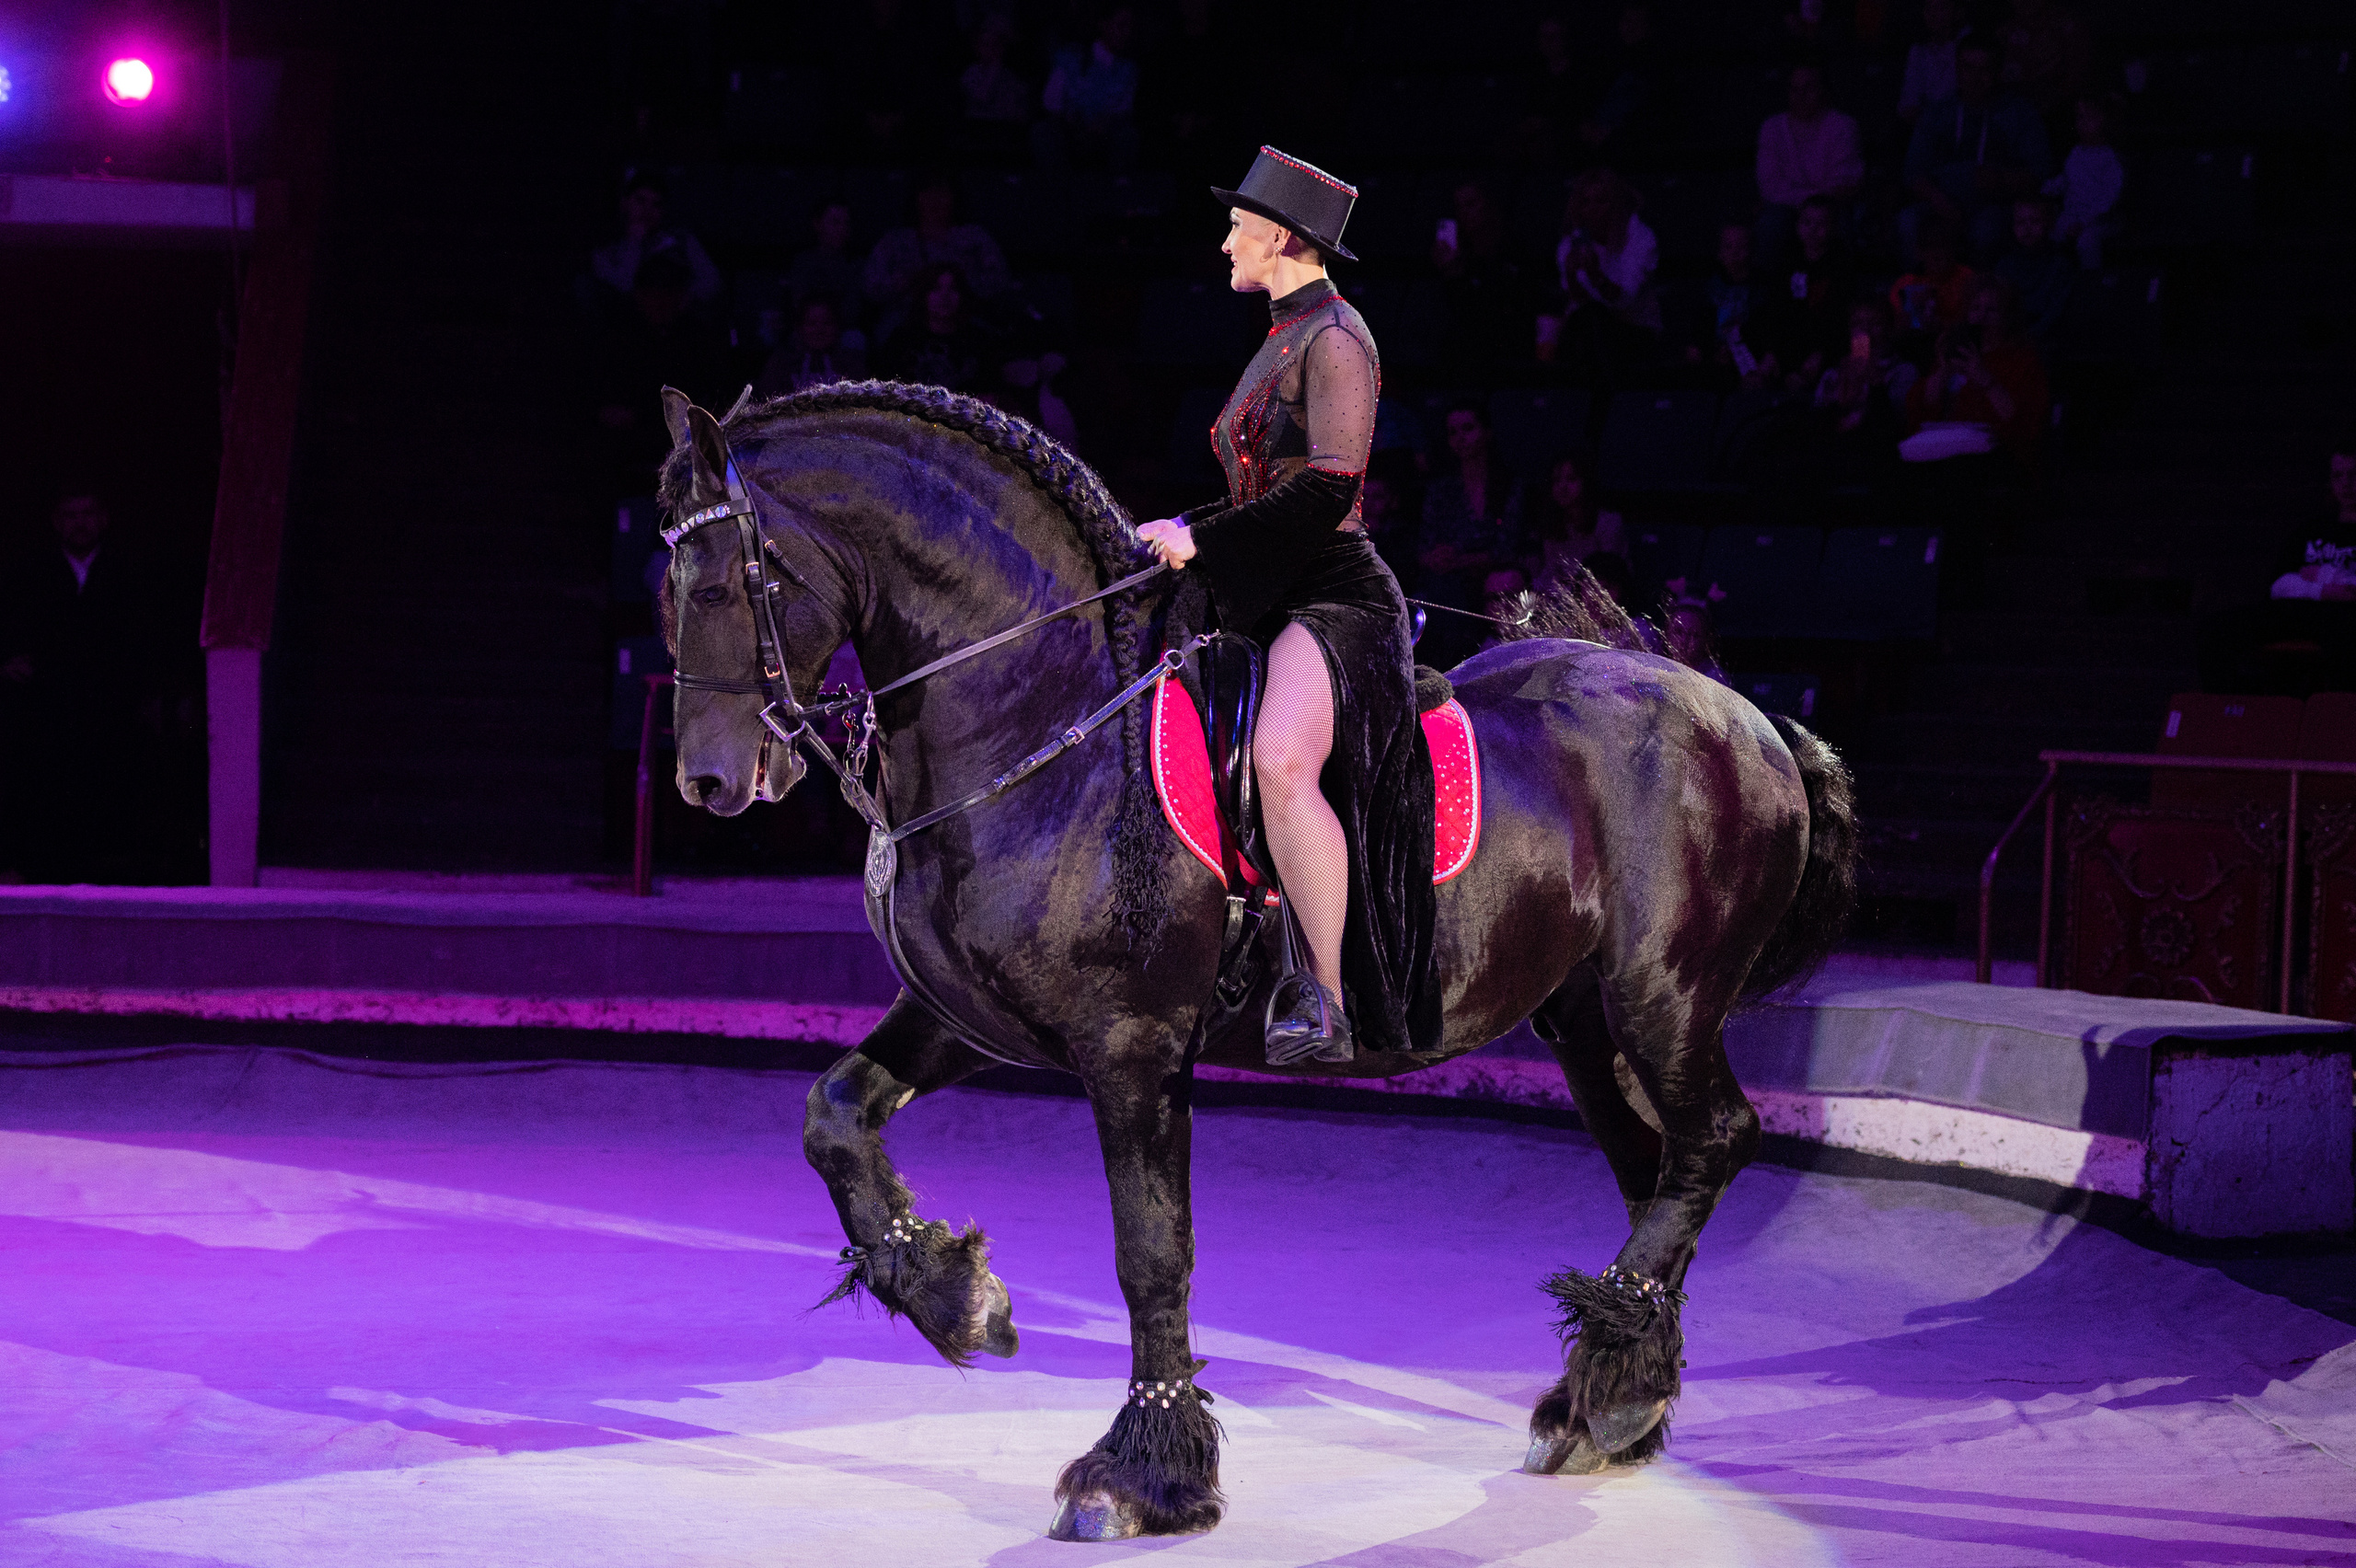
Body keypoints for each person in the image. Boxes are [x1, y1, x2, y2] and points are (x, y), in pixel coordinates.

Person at [1136, 147, 1434, 1066]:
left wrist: (1206, 539)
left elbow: (1327, 488)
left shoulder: (1338, 337)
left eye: (1238, 225)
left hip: (1336, 600)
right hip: (1267, 589)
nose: (1226, 239)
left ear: (1281, 237)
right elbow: (1269, 487)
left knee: (1279, 758)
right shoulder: (1277, 337)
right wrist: (1185, 526)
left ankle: (1326, 1002)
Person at [0, 488, 165, 882]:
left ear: (103, 519)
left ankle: (102, 875)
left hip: (108, 704)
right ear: (57, 522)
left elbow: (150, 636)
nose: (80, 523)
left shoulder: (129, 573)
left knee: (106, 788)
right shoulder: (30, 573)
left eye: (88, 514)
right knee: (44, 787)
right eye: (71, 515)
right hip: (45, 704)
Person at [2197, 439, 2356, 693]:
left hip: (2344, 620)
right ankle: (2236, 709)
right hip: (2297, 611)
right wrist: (2325, 590)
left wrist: (2323, 576)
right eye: (2339, 475)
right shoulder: (2312, 529)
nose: (2346, 484)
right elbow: (2280, 585)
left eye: (2353, 475)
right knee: (2214, 630)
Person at [1901, 37, 2051, 265]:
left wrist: (2002, 180)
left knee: (1986, 231)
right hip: (1941, 201)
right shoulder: (1938, 113)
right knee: (1907, 222)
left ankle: (1979, 295)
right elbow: (1913, 170)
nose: (1975, 77)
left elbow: (2041, 171)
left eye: (1984, 69)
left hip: (1994, 204)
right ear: (1958, 69)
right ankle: (1919, 294)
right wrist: (1939, 201)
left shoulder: (2020, 114)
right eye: (1968, 68)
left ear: (1998, 72)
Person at [1417, 402, 1528, 670]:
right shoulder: (1442, 489)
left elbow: (1508, 548)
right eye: (1453, 432)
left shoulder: (1508, 485)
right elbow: (1425, 546)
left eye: (1468, 428)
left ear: (1487, 432)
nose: (1461, 438)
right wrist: (1436, 557)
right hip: (1450, 583)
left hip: (1496, 581)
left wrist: (1460, 560)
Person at [1539, 167, 1661, 385]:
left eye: (1601, 201)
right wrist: (1571, 274)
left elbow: (1625, 300)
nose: (1592, 209)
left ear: (1616, 203)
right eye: (1586, 202)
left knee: (1592, 320)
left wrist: (1596, 275)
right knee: (1582, 321)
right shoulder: (1572, 241)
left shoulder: (1640, 237)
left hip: (1636, 330)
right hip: (1586, 330)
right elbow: (1578, 300)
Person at [1754, 63, 1864, 269]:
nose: (1800, 96)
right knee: (1771, 225)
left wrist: (1809, 203)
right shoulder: (1772, 128)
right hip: (1784, 210)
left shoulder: (1843, 126)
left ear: (1823, 91)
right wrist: (1811, 201)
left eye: (1809, 88)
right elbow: (1769, 185)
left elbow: (1845, 180)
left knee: (1844, 223)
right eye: (1794, 89)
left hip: (1832, 207)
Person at [863, 173, 1013, 323]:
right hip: (905, 320)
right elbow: (871, 288)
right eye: (927, 194)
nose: (934, 201)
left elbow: (1000, 282)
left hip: (966, 320)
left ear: (954, 198)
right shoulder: (893, 241)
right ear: (916, 198)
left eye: (942, 193)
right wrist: (902, 282)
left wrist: (964, 280)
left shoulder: (975, 237)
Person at [1430, 180, 1533, 373]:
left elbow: (1499, 307)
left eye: (1471, 204)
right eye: (1459, 207)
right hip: (1466, 346)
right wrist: (1450, 274)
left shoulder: (1513, 248)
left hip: (1507, 340)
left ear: (1488, 204)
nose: (1465, 213)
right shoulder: (1456, 251)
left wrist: (1459, 277)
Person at [589, 171, 722, 316]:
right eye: (640, 201)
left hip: (681, 321)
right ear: (625, 203)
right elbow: (622, 290)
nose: (647, 211)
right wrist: (635, 243)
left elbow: (712, 281)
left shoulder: (683, 240)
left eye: (656, 205)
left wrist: (680, 298)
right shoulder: (607, 252)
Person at [1034, 6, 1140, 171]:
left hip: (1105, 135)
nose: (1126, 33)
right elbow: (1050, 101)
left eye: (1130, 27)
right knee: (1043, 131)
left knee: (1127, 136)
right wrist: (1070, 118)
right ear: (1103, 25)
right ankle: (1058, 189)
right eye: (1121, 26)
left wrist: (1104, 123)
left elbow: (1124, 110)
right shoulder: (1069, 56)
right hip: (1068, 131)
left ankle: (1116, 190)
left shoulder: (1128, 69)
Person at [875, 263, 1000, 394]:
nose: (944, 296)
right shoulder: (902, 339)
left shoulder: (978, 341)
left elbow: (990, 390)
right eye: (936, 288)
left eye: (953, 289)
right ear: (923, 294)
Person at [1524, 452, 1627, 593]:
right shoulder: (1552, 525)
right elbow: (1552, 572)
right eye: (1557, 480)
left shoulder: (1608, 523)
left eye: (1571, 479)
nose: (1563, 487)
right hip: (1562, 599)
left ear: (1586, 482)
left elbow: (1609, 574)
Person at [2045, 92, 2124, 269]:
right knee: (2048, 232)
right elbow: (2068, 178)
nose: (2083, 123)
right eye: (2080, 117)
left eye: (2091, 117)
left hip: (2102, 220)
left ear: (2107, 121)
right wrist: (2049, 187)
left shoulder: (2111, 158)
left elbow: (2109, 199)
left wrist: (2085, 222)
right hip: (2073, 214)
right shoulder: (2076, 152)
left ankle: (2092, 283)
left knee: (2087, 241)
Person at [1992, 196, 2073, 340]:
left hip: (2047, 338)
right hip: (2010, 336)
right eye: (2021, 222)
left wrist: (2030, 336)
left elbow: (2056, 311)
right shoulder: (2004, 265)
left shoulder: (2060, 265)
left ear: (2050, 224)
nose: (2027, 228)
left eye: (2035, 221)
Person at [756, 295, 868, 398]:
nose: (819, 330)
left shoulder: (851, 362)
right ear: (800, 327)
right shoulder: (780, 363)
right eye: (811, 324)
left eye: (826, 323)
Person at [787, 201, 866, 330]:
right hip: (808, 331)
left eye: (846, 223)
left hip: (844, 332)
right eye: (835, 222)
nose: (842, 229)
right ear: (817, 224)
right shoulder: (803, 262)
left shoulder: (856, 264)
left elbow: (853, 311)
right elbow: (799, 306)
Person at [1898, 0, 1968, 124]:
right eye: (1928, 7)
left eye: (1941, 7)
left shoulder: (1969, 45)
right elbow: (1908, 103)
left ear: (1958, 12)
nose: (1933, 13)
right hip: (1926, 129)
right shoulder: (1918, 51)